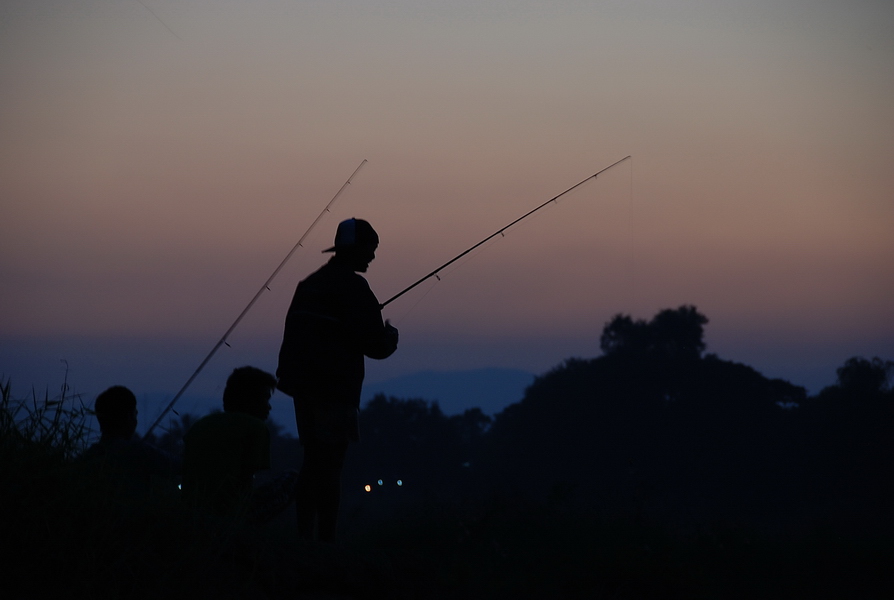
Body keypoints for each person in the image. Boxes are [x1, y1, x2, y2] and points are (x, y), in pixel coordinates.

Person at [277, 217, 399, 542]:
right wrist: (390, 337)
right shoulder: (355, 288)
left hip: (302, 390)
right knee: (330, 467)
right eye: (370, 250)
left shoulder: (309, 285)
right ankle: (324, 544)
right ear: (356, 250)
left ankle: (304, 537)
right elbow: (375, 345)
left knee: (312, 462)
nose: (372, 257)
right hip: (335, 391)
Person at [181, 366, 297, 522]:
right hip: (228, 514)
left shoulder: (200, 425)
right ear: (250, 400)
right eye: (265, 399)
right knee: (293, 478)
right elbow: (246, 479)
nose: (269, 406)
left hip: (192, 510)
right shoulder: (255, 427)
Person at [82, 385, 181, 497]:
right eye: (135, 414)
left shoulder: (87, 457)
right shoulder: (137, 451)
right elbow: (179, 466)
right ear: (129, 416)